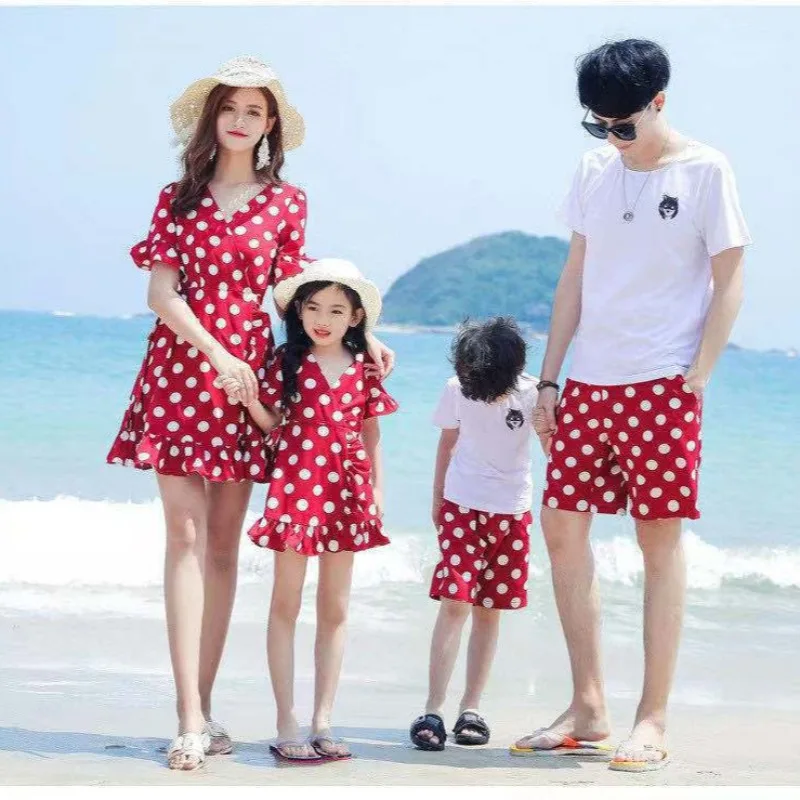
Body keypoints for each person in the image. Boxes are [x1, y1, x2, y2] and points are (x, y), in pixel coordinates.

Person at [106, 57, 394, 771]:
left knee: (226, 548)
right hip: (181, 372)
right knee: (183, 534)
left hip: (246, 385)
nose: (240, 120)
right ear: (214, 118)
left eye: (254, 112)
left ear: (269, 128)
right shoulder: (177, 196)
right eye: (230, 108)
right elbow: (161, 295)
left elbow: (292, 293)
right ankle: (188, 717)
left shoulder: (285, 203)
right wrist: (215, 352)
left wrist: (365, 334)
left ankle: (205, 706)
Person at [513, 39, 751, 772]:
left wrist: (699, 376)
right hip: (588, 383)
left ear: (659, 104)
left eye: (624, 126)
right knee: (560, 532)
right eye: (598, 126)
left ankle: (652, 716)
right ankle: (588, 705)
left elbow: (731, 277)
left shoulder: (705, 170)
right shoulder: (594, 170)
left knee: (657, 545)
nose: (613, 139)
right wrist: (550, 379)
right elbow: (575, 277)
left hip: (664, 385)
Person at [221, 258, 398, 763]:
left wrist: (378, 490)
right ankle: (285, 719)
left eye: (337, 310)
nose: (323, 318)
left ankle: (323, 719)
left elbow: (371, 432)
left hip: (347, 491)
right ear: (298, 311)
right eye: (314, 307)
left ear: (355, 317)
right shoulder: (285, 362)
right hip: (296, 489)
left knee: (335, 609)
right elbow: (273, 422)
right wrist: (249, 400)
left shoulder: (365, 366)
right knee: (285, 605)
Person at [409, 318, 537, 752]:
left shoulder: (532, 392)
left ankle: (472, 708)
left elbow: (553, 445)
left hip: (512, 512)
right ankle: (432, 710)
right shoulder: (456, 387)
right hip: (462, 505)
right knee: (455, 603)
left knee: (489, 609)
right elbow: (447, 444)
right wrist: (437, 497)